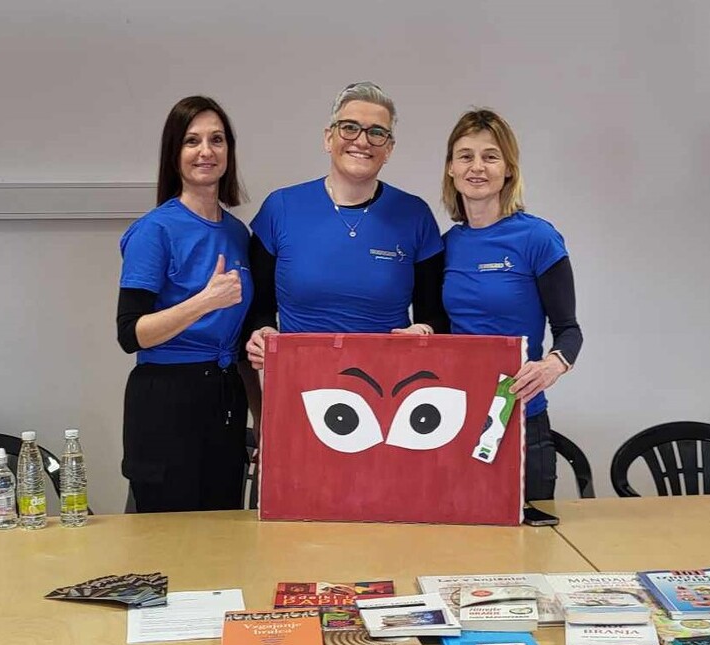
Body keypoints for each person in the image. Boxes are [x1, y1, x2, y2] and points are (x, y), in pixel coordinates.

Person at [244, 81, 446, 372]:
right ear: (329, 138)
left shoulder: (415, 215)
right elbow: (258, 309)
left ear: (389, 149)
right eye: (349, 127)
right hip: (299, 381)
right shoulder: (281, 208)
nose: (362, 141)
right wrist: (262, 333)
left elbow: (435, 316)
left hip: (386, 384)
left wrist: (424, 332)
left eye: (377, 132)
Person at [115, 95, 256, 512]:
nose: (206, 151)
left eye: (217, 139)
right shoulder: (155, 231)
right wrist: (204, 302)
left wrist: (262, 419)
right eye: (192, 141)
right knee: (168, 537)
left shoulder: (238, 233)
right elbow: (130, 333)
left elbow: (241, 344)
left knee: (223, 532)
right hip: (166, 399)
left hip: (226, 395)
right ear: (174, 153)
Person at [440, 108, 583, 502]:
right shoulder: (446, 245)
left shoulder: (538, 238)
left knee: (527, 536)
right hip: (456, 419)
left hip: (521, 417)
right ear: (451, 168)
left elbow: (569, 331)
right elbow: (439, 330)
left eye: (490, 156)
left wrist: (553, 365)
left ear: (508, 170)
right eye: (465, 156)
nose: (477, 167)